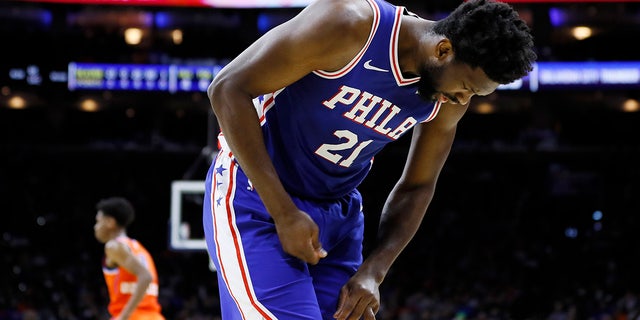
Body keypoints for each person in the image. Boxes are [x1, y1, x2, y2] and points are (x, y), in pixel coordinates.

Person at [203, 0, 536, 318]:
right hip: (258, 197)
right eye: (466, 87)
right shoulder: (350, 24)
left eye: (474, 95)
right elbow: (227, 89)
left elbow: (418, 185)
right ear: (443, 50)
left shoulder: (447, 96)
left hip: (339, 212)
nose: (463, 99)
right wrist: (284, 213)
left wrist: (374, 272)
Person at [93, 197, 165, 320]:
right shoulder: (141, 249)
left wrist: (123, 317)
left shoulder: (113, 246)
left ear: (110, 222)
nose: (96, 227)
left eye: (98, 221)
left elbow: (145, 276)